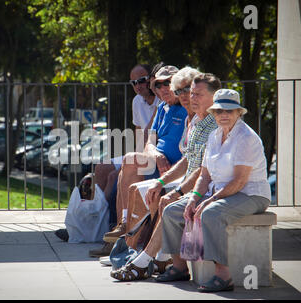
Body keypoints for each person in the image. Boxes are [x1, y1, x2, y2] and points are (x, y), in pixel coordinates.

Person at [110, 72, 221, 281]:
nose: (188, 97)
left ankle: (146, 259)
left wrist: (176, 190)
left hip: (211, 187)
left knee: (165, 202)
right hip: (188, 178)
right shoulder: (197, 120)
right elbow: (187, 161)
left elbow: (202, 171)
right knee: (149, 190)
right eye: (182, 92)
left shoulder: (213, 124)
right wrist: (162, 181)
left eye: (194, 93)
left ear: (213, 96)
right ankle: (148, 254)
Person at [160, 88, 271, 292]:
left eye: (229, 111)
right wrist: (194, 198)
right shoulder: (214, 136)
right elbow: (204, 175)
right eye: (219, 111)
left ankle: (223, 275)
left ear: (239, 113)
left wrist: (209, 201)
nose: (224, 115)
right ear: (213, 113)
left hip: (250, 194)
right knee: (172, 211)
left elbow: (239, 181)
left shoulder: (246, 138)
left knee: (211, 213)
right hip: (221, 192)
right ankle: (179, 267)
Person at [103, 65, 187, 248]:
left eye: (168, 83)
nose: (163, 88)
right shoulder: (163, 107)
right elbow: (148, 142)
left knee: (128, 167)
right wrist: (157, 155)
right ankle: (123, 229)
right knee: (126, 165)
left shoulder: (188, 107)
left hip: (178, 168)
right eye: (158, 85)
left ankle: (125, 239)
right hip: (158, 164)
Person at [85, 64, 161, 257]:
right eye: (133, 82)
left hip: (155, 152)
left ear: (152, 79)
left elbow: (152, 137)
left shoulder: (163, 99)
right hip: (142, 150)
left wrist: (131, 163)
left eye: (142, 80)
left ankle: (113, 237)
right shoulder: (137, 101)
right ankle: (97, 227)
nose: (138, 86)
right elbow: (139, 136)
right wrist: (132, 159)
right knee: (102, 168)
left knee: (114, 177)